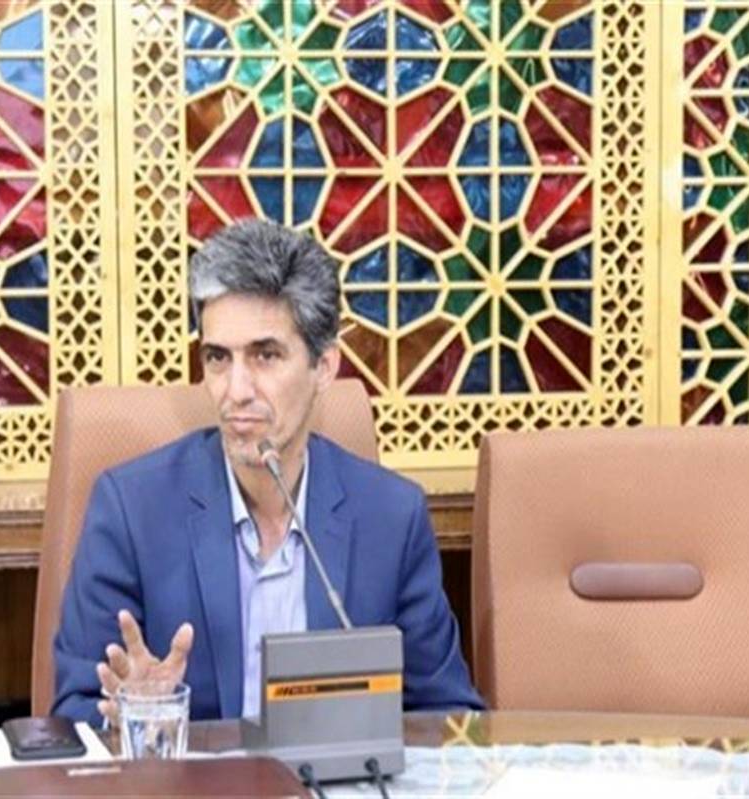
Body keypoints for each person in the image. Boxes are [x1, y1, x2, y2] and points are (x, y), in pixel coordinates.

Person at [52, 219, 483, 724]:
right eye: (218, 358)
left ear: (324, 367)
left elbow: (450, 716)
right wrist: (138, 714)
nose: (236, 391)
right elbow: (74, 713)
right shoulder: (131, 510)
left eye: (265, 355)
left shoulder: (391, 516)